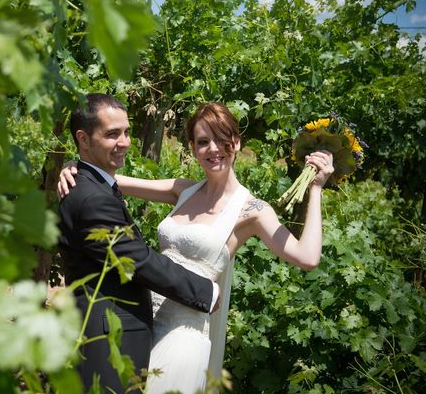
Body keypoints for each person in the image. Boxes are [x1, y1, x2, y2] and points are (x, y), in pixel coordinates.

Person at [58, 101, 334, 394]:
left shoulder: (252, 210)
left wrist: (316, 189)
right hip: (141, 325)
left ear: (237, 142)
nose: (213, 149)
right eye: (203, 142)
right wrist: (73, 166)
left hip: (184, 335)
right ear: (192, 147)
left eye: (222, 140)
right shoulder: (181, 189)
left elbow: (308, 257)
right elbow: (105, 180)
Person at [57, 94, 221, 394]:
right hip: (108, 340)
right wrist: (206, 291)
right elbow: (136, 259)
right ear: (83, 138)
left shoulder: (89, 183)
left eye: (127, 131)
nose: (125, 142)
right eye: (112, 134)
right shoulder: (91, 196)